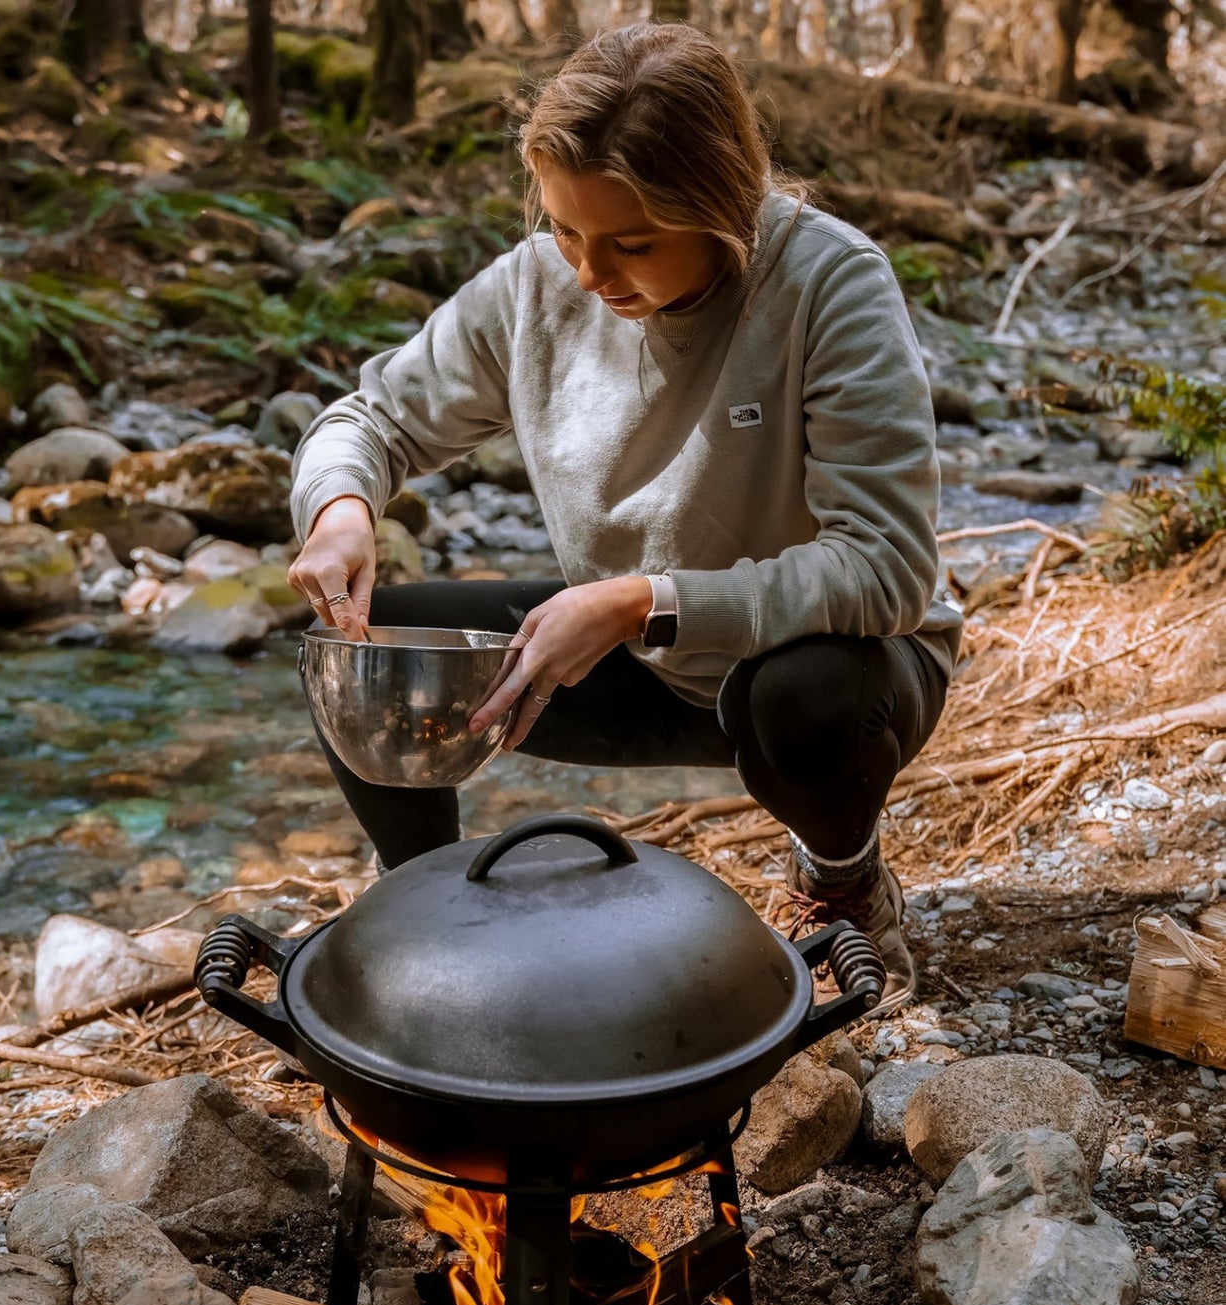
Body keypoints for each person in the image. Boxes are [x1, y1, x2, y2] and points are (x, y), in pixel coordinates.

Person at [286, 21, 962, 1014]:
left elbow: (886, 568)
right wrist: (341, 507)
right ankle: (423, 919)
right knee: (368, 650)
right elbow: (367, 418)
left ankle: (843, 881)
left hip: (835, 670)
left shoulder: (827, 282)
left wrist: (639, 600)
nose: (590, 274)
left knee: (805, 692)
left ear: (720, 205)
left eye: (632, 243)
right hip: (631, 657)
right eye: (565, 230)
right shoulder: (534, 288)